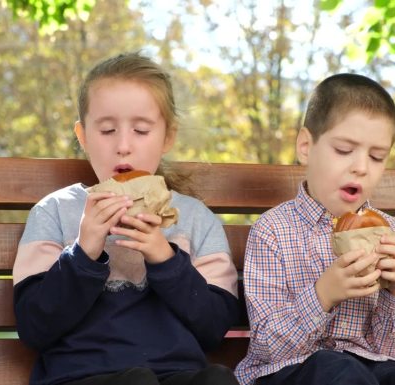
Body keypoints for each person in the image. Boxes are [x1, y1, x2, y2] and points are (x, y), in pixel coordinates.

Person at [12, 52, 240, 385]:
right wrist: (84, 252)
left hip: (177, 375)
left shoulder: (194, 219)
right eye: (107, 130)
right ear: (83, 136)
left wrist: (165, 260)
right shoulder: (56, 211)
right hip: (79, 376)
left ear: (168, 137)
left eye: (141, 130)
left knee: (217, 380)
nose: (123, 146)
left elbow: (214, 328)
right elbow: (35, 327)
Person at [234, 73, 395, 385]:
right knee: (339, 371)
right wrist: (323, 295)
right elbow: (267, 347)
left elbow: (394, 351)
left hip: (369, 369)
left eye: (377, 157)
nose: (361, 167)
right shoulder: (272, 230)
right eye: (343, 150)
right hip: (287, 373)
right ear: (306, 147)